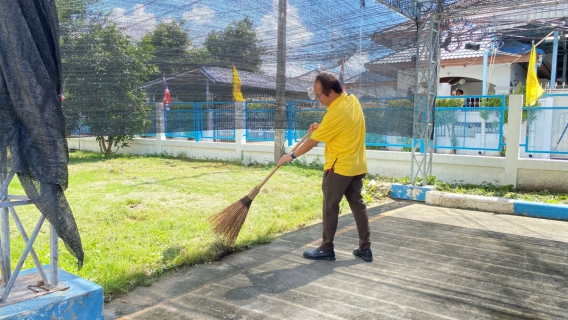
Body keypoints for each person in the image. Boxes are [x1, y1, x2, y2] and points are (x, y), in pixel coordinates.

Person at [277, 73, 372, 262]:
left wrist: (291, 156)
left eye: (318, 95)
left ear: (330, 93)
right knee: (358, 205)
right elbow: (343, 128)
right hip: (357, 164)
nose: (317, 99)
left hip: (338, 168)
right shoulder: (352, 100)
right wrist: (322, 127)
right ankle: (365, 249)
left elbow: (312, 142)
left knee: (330, 207)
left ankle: (326, 248)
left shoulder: (335, 113)